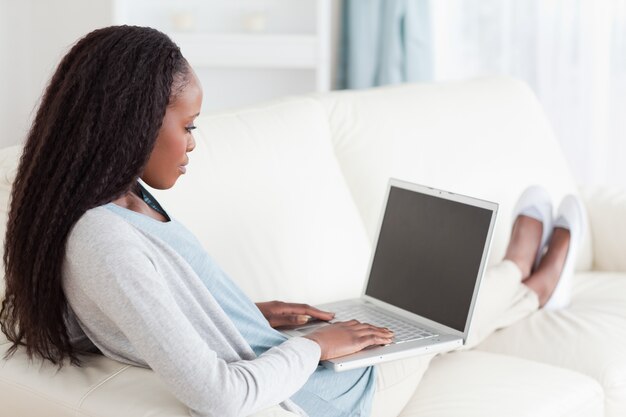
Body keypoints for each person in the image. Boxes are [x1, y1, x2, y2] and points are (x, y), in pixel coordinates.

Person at [0, 26, 585, 417]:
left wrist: (248, 314)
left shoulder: (113, 202)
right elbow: (220, 396)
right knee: (440, 324)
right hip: (319, 394)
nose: (193, 144)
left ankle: (524, 269)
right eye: (190, 125)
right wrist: (320, 349)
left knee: (403, 314)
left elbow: (148, 315)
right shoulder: (103, 241)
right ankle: (531, 275)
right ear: (133, 125)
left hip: (281, 353)